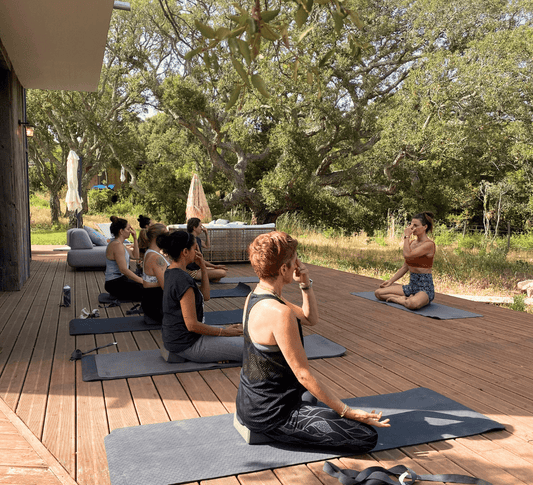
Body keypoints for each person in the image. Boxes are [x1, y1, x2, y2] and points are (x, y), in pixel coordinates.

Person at [236, 231, 389, 451]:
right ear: (283, 269)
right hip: (273, 413)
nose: (298, 263)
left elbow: (310, 318)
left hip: (250, 402)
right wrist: (347, 411)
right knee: (364, 436)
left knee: (312, 396)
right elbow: (303, 374)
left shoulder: (256, 296)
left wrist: (305, 284)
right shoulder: (279, 312)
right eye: (294, 260)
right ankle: (273, 429)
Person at [157, 230, 244, 362]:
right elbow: (192, 325)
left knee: (240, 334)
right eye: (194, 249)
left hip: (181, 338)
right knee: (250, 350)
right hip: (188, 344)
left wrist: (203, 267)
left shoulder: (171, 271)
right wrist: (224, 332)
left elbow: (206, 296)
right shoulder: (181, 279)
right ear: (185, 252)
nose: (197, 252)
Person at [374, 211, 436, 310]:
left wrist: (406, 236)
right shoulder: (411, 243)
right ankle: (405, 299)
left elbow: (407, 255)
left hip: (425, 288)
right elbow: (405, 266)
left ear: (425, 227)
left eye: (415, 225)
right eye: (411, 224)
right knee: (378, 293)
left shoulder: (429, 245)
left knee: (413, 304)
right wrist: (391, 281)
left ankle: (399, 300)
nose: (411, 228)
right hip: (411, 286)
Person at [104, 216, 143, 301]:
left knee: (148, 287)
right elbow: (124, 270)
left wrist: (135, 239)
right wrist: (141, 280)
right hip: (114, 283)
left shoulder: (120, 244)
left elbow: (135, 256)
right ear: (121, 231)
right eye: (128, 229)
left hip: (120, 279)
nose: (130, 231)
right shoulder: (117, 246)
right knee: (148, 290)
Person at [138, 223, 170, 323]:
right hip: (155, 305)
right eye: (166, 234)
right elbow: (166, 286)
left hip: (151, 303)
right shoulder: (156, 258)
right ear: (157, 237)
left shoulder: (150, 252)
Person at [186, 217, 228, 282]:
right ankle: (201, 278)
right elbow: (199, 259)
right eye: (200, 226)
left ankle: (205, 278)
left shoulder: (197, 239)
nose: (202, 228)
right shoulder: (191, 240)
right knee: (223, 272)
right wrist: (215, 266)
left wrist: (206, 233)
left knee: (217, 275)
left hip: (197, 269)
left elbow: (207, 246)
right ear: (194, 228)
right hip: (192, 272)